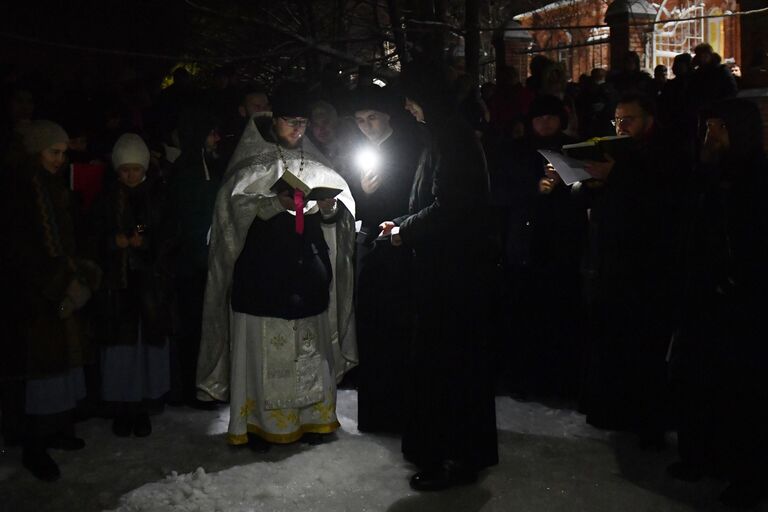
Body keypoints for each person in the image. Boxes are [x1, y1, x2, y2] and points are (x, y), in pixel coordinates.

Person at [196, 82, 357, 451]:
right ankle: (258, 425)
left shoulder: (318, 161)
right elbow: (229, 214)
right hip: (262, 279)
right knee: (265, 353)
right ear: (274, 120)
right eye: (290, 122)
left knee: (308, 353)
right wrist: (270, 204)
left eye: (303, 123)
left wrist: (331, 212)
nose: (298, 130)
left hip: (308, 279)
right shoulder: (250, 161)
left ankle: (313, 420)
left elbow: (339, 219)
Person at [380, 65, 498, 490]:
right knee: (449, 364)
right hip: (447, 270)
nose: (409, 110)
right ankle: (452, 451)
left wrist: (403, 231)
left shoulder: (454, 139)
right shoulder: (447, 136)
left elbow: (452, 208)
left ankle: (455, 457)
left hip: (453, 276)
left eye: (412, 101)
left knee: (449, 366)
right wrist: (403, 222)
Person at [667, 99, 768, 509]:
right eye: (707, 129)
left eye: (718, 129)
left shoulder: (755, 178)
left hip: (742, 303)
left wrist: (733, 280)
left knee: (744, 395)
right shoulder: (713, 172)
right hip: (707, 297)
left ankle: (748, 478)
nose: (710, 138)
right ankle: (708, 457)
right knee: (706, 383)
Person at [570, 93, 677, 447]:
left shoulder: (662, 153)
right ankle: (611, 409)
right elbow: (593, 200)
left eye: (628, 119)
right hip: (607, 260)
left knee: (643, 345)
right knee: (610, 338)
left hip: (644, 264)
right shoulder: (612, 151)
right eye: (617, 121)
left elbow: (660, 202)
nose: (621, 127)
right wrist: (580, 182)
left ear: (648, 120)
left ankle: (647, 423)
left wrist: (615, 175)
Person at [1, 120, 101, 480]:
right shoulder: (18, 190)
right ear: (35, 151)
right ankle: (33, 443)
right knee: (38, 369)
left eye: (62, 152)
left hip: (59, 289)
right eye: (52, 152)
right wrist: (56, 284)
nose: (60, 159)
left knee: (62, 363)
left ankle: (57, 428)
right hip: (32, 296)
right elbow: (19, 249)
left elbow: (69, 236)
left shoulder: (55, 186)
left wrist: (79, 276)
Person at [349, 86, 425, 434]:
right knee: (371, 329)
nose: (366, 126)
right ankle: (375, 413)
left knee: (396, 329)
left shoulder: (410, 150)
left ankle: (398, 411)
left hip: (399, 250)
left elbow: (417, 201)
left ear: (388, 117)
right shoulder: (358, 152)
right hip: (370, 250)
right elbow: (354, 204)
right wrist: (362, 193)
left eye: (372, 118)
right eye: (360, 120)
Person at [90, 134, 176, 436]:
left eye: (135, 169)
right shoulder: (106, 199)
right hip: (118, 287)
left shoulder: (157, 196)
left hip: (149, 286)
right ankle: (121, 407)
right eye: (125, 170)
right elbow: (92, 237)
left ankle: (143, 406)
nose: (130, 175)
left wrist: (145, 244)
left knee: (145, 347)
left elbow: (168, 237)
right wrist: (115, 243)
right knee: (121, 349)